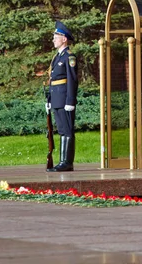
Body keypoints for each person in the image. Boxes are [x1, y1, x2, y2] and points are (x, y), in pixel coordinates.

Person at [45, 20, 78, 172]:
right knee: (62, 130)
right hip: (57, 100)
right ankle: (62, 162)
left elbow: (72, 80)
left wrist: (70, 101)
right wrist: (50, 101)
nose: (53, 39)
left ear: (64, 39)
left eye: (56, 37)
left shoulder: (68, 57)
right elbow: (53, 81)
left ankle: (67, 162)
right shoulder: (57, 57)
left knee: (67, 130)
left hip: (65, 100)